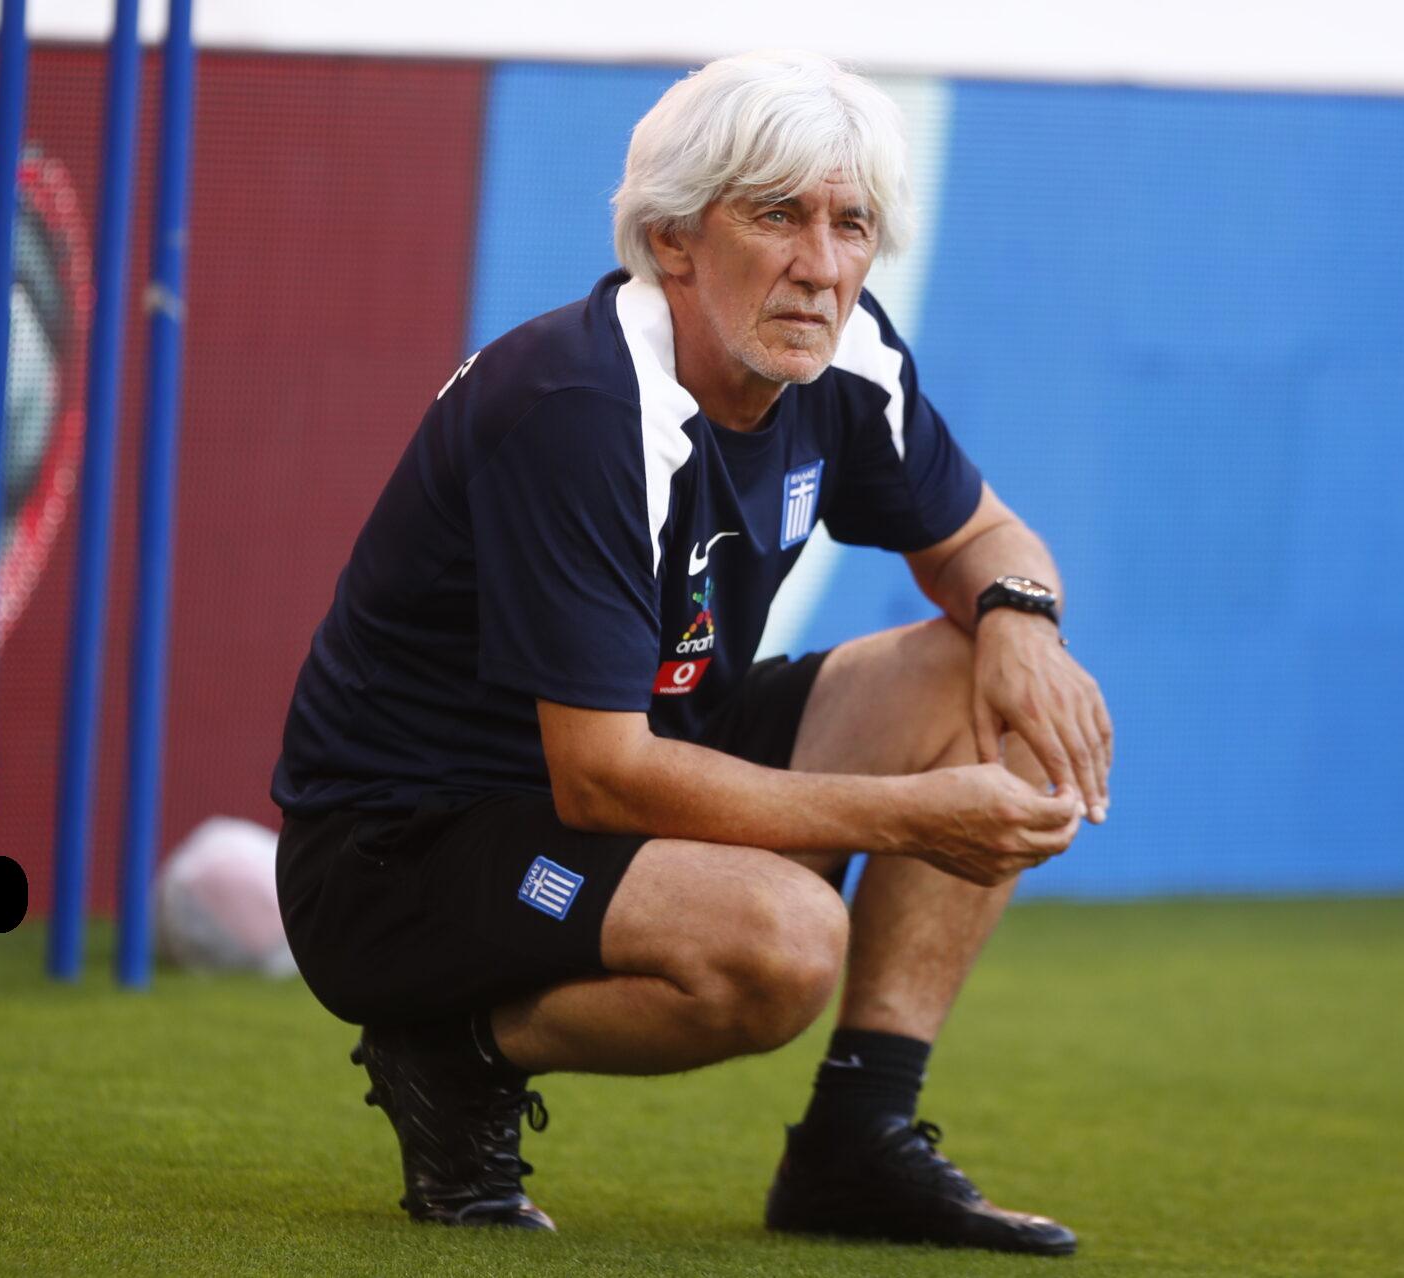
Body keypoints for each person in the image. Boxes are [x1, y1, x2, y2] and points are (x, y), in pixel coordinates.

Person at [271, 49, 1113, 1256]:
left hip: (636, 758)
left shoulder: (840, 352)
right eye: (776, 217)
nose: (821, 266)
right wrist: (914, 817)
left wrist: (1021, 617)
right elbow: (601, 778)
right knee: (784, 944)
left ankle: (857, 1139)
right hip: (404, 852)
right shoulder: (579, 406)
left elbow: (982, 538)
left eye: (851, 226)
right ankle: (451, 1056)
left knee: (986, 677)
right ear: (673, 240)